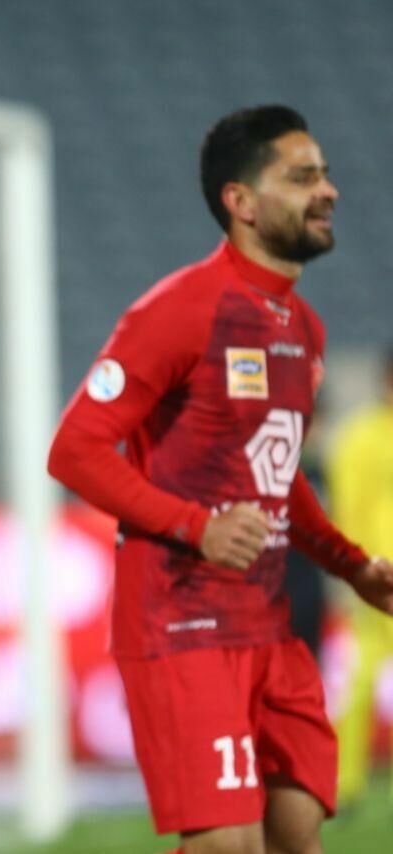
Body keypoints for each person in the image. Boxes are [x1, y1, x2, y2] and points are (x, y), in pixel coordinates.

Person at [48, 105, 393, 853]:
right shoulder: (178, 311)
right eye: (302, 177)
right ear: (242, 202)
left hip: (269, 623)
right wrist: (195, 526)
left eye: (325, 174)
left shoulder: (303, 330)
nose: (327, 190)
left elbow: (276, 475)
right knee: (226, 846)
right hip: (182, 623)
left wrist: (350, 565)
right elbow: (74, 451)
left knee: (295, 835)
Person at [328, 348, 393, 809]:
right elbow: (348, 509)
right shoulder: (360, 437)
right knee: (360, 678)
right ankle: (344, 779)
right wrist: (357, 568)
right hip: (379, 576)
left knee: (361, 675)